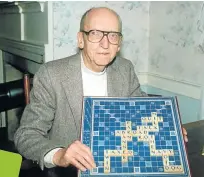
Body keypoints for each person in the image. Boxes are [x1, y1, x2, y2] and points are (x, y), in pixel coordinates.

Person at [14, 7, 188, 173]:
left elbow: (141, 111)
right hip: (70, 171)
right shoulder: (51, 74)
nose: (105, 44)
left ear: (119, 44)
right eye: (95, 34)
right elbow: (26, 135)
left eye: (113, 35)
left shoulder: (125, 69)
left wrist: (166, 128)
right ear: (81, 39)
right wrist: (60, 155)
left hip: (118, 164)